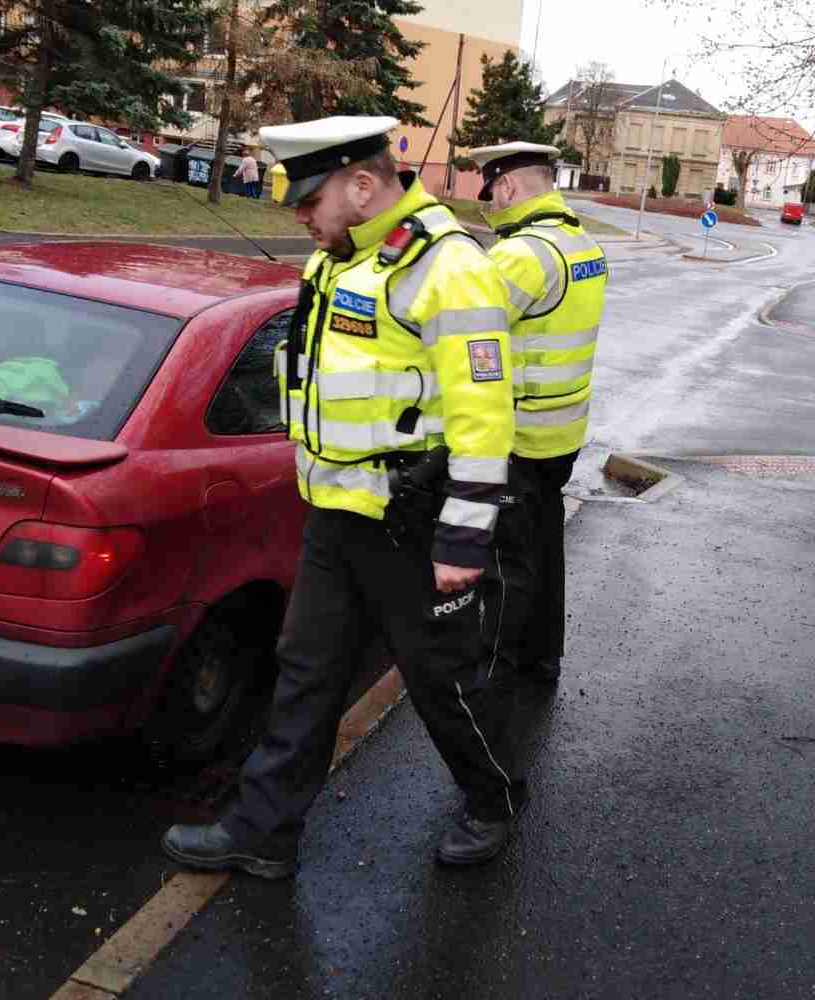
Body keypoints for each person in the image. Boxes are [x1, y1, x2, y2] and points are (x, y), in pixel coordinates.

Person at [162, 116, 522, 878]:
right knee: (306, 671)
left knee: (442, 680)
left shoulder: (448, 266)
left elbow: (486, 415)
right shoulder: (342, 259)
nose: (298, 215)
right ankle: (263, 832)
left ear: (362, 187)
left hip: (413, 525)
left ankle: (492, 799)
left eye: (308, 198)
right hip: (337, 514)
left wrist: (463, 537)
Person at [467, 142, 607, 685]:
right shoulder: (582, 242)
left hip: (518, 436)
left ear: (506, 186)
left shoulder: (522, 254)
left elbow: (465, 330)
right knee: (546, 548)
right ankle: (543, 656)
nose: (491, 206)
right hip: (563, 431)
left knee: (506, 565)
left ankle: (497, 676)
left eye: (491, 194)